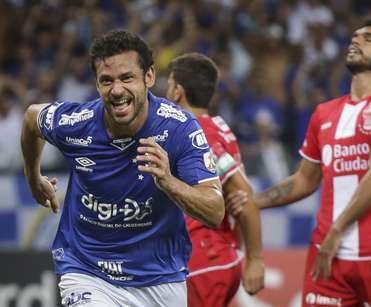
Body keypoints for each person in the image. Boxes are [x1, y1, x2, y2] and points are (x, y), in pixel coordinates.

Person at [21, 30, 225, 307]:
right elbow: (32, 118)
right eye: (107, 81)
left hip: (160, 278)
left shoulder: (180, 129)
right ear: (96, 83)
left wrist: (169, 182)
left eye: (127, 78)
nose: (116, 90)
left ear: (149, 77)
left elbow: (215, 211)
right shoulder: (76, 123)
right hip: (88, 272)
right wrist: (34, 179)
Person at [227, 18, 371, 306]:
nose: (356, 41)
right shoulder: (325, 113)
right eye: (354, 36)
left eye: (369, 38)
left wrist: (337, 230)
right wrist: (254, 201)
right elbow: (304, 180)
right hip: (327, 256)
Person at [166, 53, 265, 306]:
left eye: (168, 85)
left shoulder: (198, 132)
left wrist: (255, 259)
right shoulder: (218, 126)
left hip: (202, 257)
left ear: (178, 91)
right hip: (215, 255)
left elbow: (242, 191)